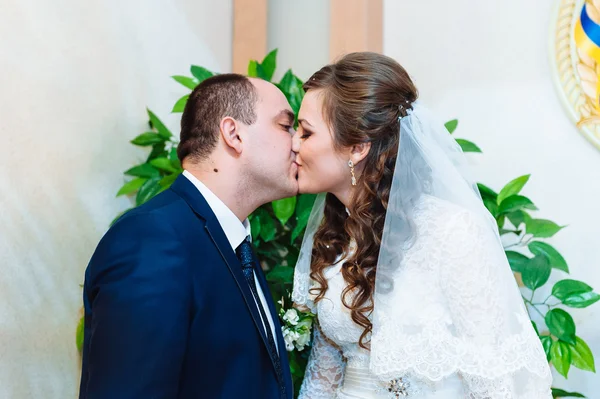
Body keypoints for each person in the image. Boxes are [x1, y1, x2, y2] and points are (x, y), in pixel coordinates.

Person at [291, 52, 552, 398]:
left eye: (306, 133)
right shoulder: (333, 234)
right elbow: (323, 377)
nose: (293, 144)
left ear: (356, 147)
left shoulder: (452, 232)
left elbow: (496, 383)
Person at [79, 74, 297, 399]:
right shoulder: (152, 240)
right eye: (285, 126)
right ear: (233, 134)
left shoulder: (239, 246)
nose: (298, 142)